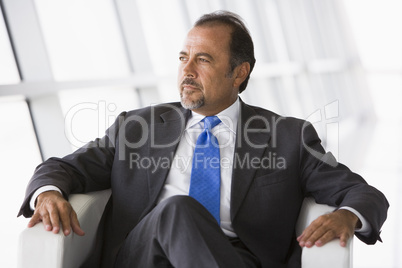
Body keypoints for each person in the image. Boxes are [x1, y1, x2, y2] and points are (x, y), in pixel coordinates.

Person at [19, 11, 388, 268]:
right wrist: (48, 192)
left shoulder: (288, 136)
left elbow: (363, 193)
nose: (187, 70)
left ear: (239, 72)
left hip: (238, 259)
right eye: (183, 58)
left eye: (203, 60)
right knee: (176, 210)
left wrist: (347, 215)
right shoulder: (137, 127)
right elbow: (62, 168)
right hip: (143, 257)